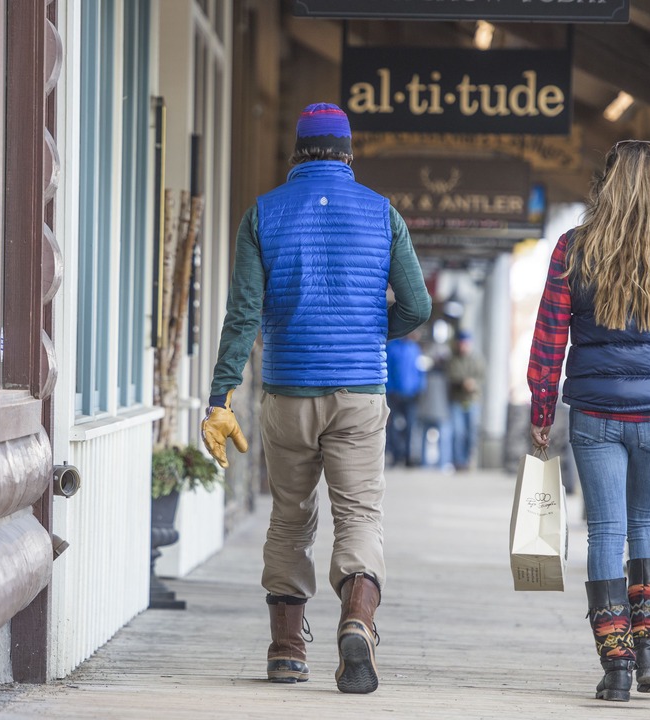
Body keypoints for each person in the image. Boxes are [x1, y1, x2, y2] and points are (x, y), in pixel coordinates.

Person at [200, 102, 431, 694]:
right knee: (359, 515)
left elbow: (243, 315)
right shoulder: (383, 213)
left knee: (290, 515)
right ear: (348, 155)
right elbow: (417, 306)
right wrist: (366, 331)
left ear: (297, 153)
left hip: (287, 393)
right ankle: (357, 619)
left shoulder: (263, 214)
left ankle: (285, 648)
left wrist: (220, 396)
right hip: (359, 393)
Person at [527, 140, 650, 703]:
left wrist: (542, 412)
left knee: (607, 531)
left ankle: (616, 667)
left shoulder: (574, 248)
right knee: (646, 522)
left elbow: (549, 338)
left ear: (605, 184)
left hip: (595, 412)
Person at [446, 329, 486, 471]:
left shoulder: (477, 359)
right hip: (457, 400)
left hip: (472, 400)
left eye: (465, 344)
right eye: (461, 344)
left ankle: (469, 460)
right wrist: (463, 382)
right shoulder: (453, 359)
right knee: (458, 432)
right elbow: (451, 376)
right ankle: (459, 462)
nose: (463, 346)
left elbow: (482, 377)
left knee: (471, 432)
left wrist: (473, 384)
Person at [384, 331, 425, 467]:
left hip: (411, 395)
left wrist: (420, 388)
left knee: (410, 426)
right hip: (394, 394)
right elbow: (387, 370)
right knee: (393, 426)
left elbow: (420, 371)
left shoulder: (415, 349)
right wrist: (389, 389)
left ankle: (408, 455)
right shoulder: (392, 348)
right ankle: (396, 454)